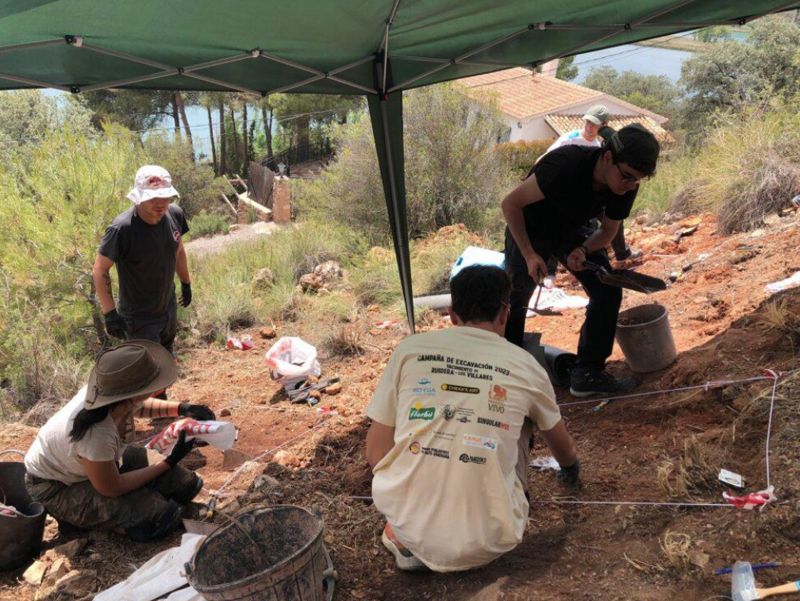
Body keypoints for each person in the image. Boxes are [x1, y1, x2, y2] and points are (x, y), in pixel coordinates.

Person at [365, 265, 580, 572]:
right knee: (521, 416)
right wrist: (572, 468)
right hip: (492, 540)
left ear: (452, 314)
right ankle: (486, 509)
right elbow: (563, 448)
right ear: (504, 313)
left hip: (408, 528)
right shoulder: (526, 366)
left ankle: (407, 537)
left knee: (411, 413)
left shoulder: (409, 350)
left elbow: (375, 454)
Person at [501, 124, 660, 396]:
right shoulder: (565, 165)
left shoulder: (626, 184)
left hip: (573, 229)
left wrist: (584, 250)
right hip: (530, 227)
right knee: (516, 298)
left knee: (607, 288)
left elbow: (608, 231)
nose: (631, 185)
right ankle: (509, 376)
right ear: (607, 158)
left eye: (638, 180)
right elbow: (511, 204)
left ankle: (587, 373)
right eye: (627, 177)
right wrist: (529, 254)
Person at [24, 341, 212, 541]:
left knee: (186, 485)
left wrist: (182, 408)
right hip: (57, 485)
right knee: (158, 519)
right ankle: (76, 518)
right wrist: (168, 462)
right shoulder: (96, 433)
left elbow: (139, 405)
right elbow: (112, 487)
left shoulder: (107, 393)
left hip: (92, 462)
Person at [93, 165, 192, 362]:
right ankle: (155, 394)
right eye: (153, 197)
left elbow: (178, 249)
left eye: (165, 196)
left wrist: (186, 283)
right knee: (149, 370)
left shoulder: (175, 214)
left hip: (167, 306)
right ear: (139, 197)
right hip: (139, 318)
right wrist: (110, 313)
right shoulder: (122, 228)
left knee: (166, 360)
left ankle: (162, 394)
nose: (161, 203)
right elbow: (100, 269)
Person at [539, 107, 641, 278]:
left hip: (593, 196)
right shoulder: (570, 139)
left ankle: (619, 254)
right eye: (587, 121)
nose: (589, 126)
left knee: (612, 220)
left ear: (604, 126)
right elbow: (545, 160)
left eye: (594, 123)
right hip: (564, 195)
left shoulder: (598, 146)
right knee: (556, 225)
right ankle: (550, 271)